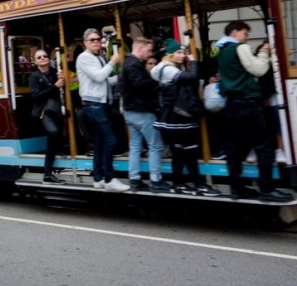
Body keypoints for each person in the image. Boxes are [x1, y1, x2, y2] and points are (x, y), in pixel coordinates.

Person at [216, 22, 292, 202]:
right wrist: (264, 52)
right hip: (247, 104)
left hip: (231, 105)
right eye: (245, 33)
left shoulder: (221, 50)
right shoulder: (239, 47)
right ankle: (266, 189)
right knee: (263, 147)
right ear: (235, 33)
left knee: (235, 149)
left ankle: (236, 188)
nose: (246, 37)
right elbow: (258, 69)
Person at [151, 39, 220, 196]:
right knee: (190, 150)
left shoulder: (166, 68)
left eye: (183, 52)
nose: (182, 55)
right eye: (179, 52)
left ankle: (178, 183)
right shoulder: (169, 69)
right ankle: (198, 184)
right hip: (179, 115)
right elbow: (192, 77)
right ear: (170, 54)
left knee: (180, 151)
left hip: (175, 114)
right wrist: (194, 61)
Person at [76, 28, 129, 192]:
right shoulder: (84, 57)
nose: (96, 41)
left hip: (99, 103)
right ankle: (109, 178)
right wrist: (112, 62)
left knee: (99, 142)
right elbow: (99, 77)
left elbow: (106, 81)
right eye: (92, 39)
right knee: (110, 140)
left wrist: (122, 75)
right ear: (85, 42)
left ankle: (98, 178)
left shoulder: (97, 57)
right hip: (94, 104)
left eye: (98, 39)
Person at [120, 37, 170, 192]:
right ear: (140, 48)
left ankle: (134, 180)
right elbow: (138, 84)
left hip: (130, 111)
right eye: (148, 50)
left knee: (135, 146)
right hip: (141, 111)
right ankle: (156, 180)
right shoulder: (134, 64)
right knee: (155, 146)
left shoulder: (128, 63)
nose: (150, 54)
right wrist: (156, 82)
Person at [29, 49, 66, 185]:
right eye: (39, 57)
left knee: (51, 142)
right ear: (35, 61)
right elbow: (36, 96)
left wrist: (62, 79)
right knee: (54, 133)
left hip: (56, 110)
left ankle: (47, 174)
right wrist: (55, 86)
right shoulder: (34, 77)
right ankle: (62, 148)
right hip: (44, 112)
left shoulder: (55, 72)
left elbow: (63, 89)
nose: (43, 58)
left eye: (45, 56)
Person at [250, 43, 287, 164]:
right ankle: (258, 150)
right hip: (261, 99)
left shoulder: (274, 63)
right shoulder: (255, 65)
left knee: (278, 123)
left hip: (273, 98)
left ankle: (279, 149)